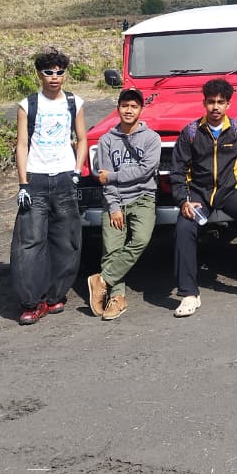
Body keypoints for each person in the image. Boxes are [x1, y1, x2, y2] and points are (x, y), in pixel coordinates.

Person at [169, 79, 237, 314]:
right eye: (211, 102)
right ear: (204, 103)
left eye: (221, 102)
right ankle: (189, 294)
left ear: (229, 104)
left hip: (231, 192)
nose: (215, 107)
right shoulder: (191, 132)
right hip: (198, 194)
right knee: (183, 228)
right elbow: (177, 170)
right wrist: (183, 201)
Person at [11, 47, 88, 326]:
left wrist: (77, 170)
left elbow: (82, 138)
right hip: (36, 178)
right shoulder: (27, 104)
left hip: (66, 178)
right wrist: (23, 184)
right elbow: (21, 144)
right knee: (30, 242)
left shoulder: (74, 103)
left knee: (66, 240)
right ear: (39, 74)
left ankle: (56, 295)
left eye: (59, 72)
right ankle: (32, 301)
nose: (55, 77)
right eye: (49, 72)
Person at [87, 89, 161, 321]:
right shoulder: (106, 140)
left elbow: (145, 170)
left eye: (134, 106)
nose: (129, 110)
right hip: (116, 199)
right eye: (125, 105)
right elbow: (103, 178)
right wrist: (114, 206)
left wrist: (112, 176)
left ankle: (102, 280)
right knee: (112, 248)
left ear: (141, 109)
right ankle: (117, 298)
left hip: (143, 197)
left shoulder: (152, 139)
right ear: (118, 108)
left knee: (141, 239)